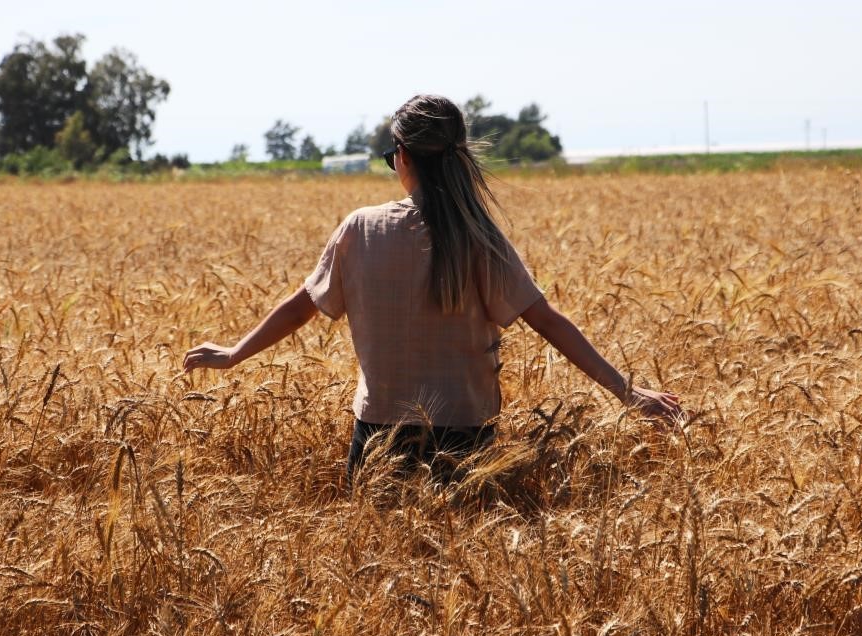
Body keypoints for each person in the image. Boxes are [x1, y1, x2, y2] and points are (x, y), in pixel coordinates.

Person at [183, 94, 682, 482]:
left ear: (401, 155)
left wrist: (233, 354)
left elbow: (300, 307)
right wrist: (627, 391)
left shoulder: (360, 228)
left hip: (379, 435)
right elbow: (547, 320)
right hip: (466, 439)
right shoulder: (479, 236)